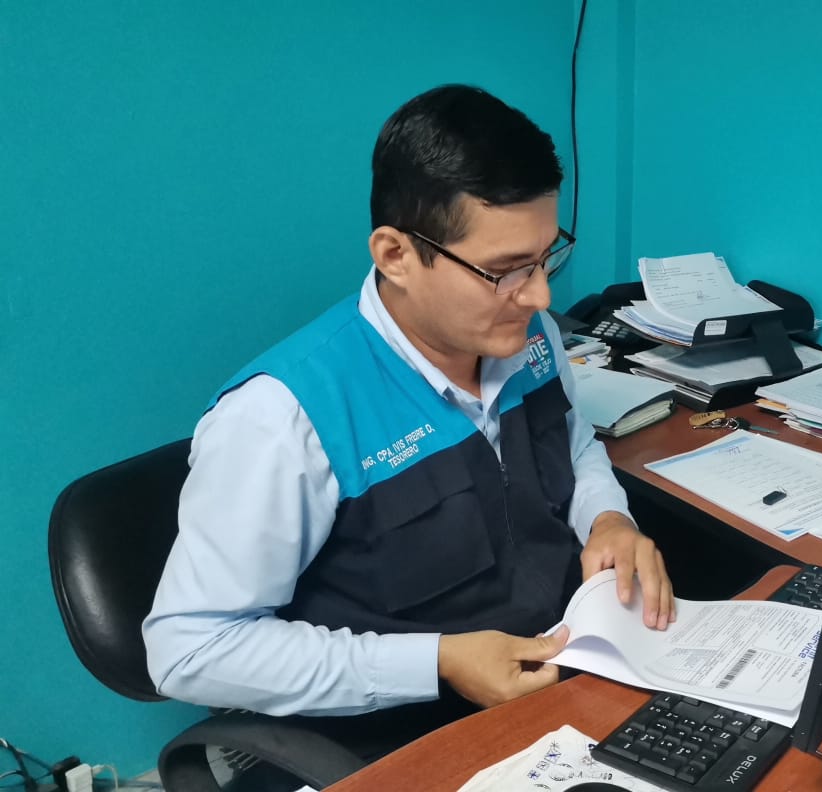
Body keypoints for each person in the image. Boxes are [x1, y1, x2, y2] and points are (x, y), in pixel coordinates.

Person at [143, 85, 675, 741]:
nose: (539, 296)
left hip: (568, 669)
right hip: (406, 729)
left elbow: (573, 445)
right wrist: (437, 663)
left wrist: (607, 518)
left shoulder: (525, 334)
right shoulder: (281, 418)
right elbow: (190, 651)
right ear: (396, 255)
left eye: (546, 259)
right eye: (505, 270)